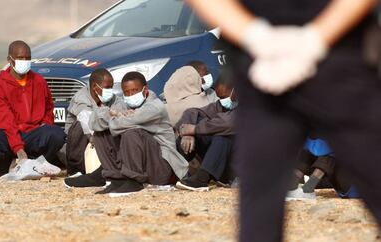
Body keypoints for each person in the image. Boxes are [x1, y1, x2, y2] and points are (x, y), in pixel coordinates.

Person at [186, 0, 381, 241]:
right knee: (260, 202)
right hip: (269, 64)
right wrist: (262, 39)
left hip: (328, 58)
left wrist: (304, 41)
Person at [65, 71, 189, 195]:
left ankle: (133, 180)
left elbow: (127, 122)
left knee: (132, 132)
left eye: (134, 91)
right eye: (126, 92)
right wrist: (111, 113)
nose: (130, 95)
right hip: (142, 163)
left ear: (145, 90)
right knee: (101, 132)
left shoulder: (155, 107)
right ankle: (114, 178)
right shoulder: (125, 105)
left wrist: (115, 116)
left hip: (160, 167)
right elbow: (94, 122)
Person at [0, 40, 66, 178]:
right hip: (8, 135)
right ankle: (3, 168)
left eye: (27, 58)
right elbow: (5, 123)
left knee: (56, 134)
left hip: (32, 133)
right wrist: (19, 150)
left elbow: (49, 107)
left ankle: (36, 165)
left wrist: (46, 123)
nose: (24, 61)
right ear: (10, 59)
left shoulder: (39, 81)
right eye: (20, 58)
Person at [175, 75, 237, 191]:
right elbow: (193, 112)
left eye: (224, 97)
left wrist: (195, 129)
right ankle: (184, 174)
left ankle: (201, 179)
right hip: (223, 163)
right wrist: (188, 134)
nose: (222, 101)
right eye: (219, 98)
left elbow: (229, 123)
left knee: (222, 136)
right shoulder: (221, 106)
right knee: (188, 135)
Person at [62, 68, 121, 177]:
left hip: (100, 138)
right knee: (81, 124)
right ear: (94, 87)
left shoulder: (111, 98)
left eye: (112, 87)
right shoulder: (81, 98)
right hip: (80, 142)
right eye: (107, 87)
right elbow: (87, 122)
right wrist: (110, 115)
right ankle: (76, 170)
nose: (110, 90)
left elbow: (121, 109)